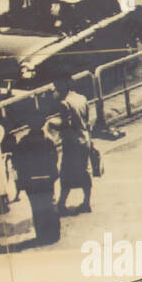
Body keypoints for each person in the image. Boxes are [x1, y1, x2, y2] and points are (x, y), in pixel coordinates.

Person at [5, 122, 61, 246]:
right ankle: (54, 234)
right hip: (46, 179)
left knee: (37, 207)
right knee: (49, 205)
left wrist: (22, 178)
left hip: (31, 180)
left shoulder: (23, 142)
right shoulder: (48, 140)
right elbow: (54, 159)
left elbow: (17, 161)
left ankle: (41, 235)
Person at [49, 78, 93, 215]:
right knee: (85, 171)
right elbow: (87, 120)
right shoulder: (82, 98)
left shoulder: (64, 103)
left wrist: (52, 124)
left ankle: (61, 204)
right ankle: (86, 202)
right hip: (85, 139)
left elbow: (66, 125)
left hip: (72, 143)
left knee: (66, 173)